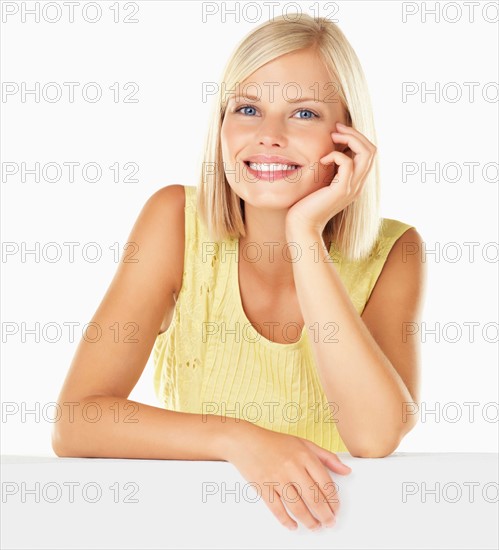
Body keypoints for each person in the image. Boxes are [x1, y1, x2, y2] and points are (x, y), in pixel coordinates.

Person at [52, 15, 426, 532]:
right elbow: (76, 422)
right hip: (195, 532)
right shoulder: (174, 223)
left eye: (304, 113)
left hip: (336, 538)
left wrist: (304, 235)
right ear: (222, 125)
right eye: (248, 109)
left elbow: (374, 436)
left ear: (347, 138)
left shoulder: (395, 252)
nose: (269, 136)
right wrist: (238, 439)